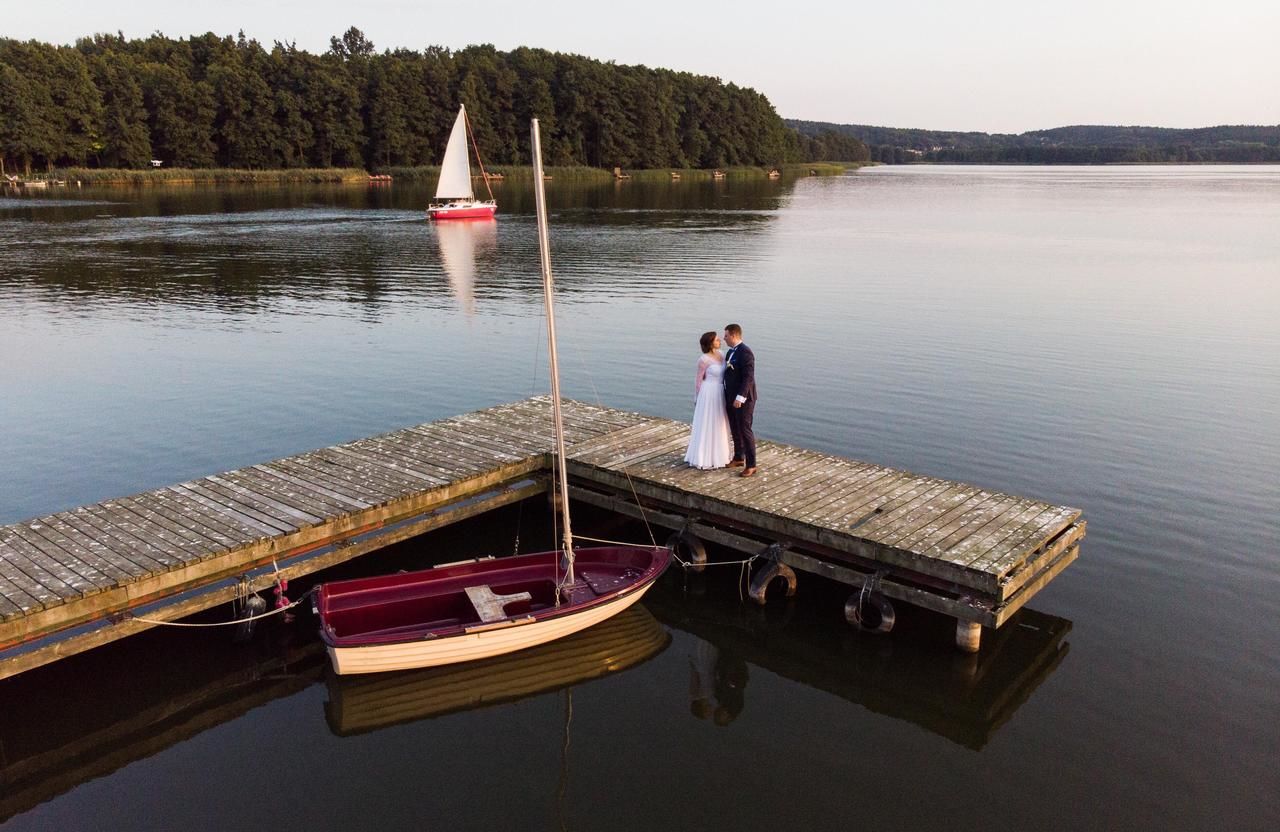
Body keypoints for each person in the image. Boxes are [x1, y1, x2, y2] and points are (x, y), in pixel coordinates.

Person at [684, 331, 733, 469]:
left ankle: (720, 455)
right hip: (708, 392)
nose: (720, 341)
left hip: (720, 392)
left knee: (719, 422)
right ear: (710, 343)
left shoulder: (723, 354)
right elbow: (698, 380)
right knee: (707, 421)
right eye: (717, 340)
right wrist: (697, 397)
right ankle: (703, 456)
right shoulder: (703, 359)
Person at [722, 323, 758, 477]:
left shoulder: (745, 352)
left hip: (744, 399)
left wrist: (740, 397)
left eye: (726, 335)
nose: (724, 338)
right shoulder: (730, 352)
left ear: (734, 335)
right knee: (735, 428)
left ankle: (751, 464)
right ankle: (738, 457)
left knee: (745, 429)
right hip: (730, 396)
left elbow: (748, 377)